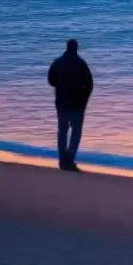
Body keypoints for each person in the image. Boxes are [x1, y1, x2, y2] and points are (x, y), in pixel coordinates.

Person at [48, 38, 93, 171]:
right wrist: (85, 100)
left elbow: (51, 81)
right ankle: (69, 159)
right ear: (76, 48)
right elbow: (89, 84)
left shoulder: (58, 62)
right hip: (77, 103)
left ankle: (63, 161)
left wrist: (60, 85)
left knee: (62, 131)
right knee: (76, 132)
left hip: (62, 102)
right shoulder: (81, 64)